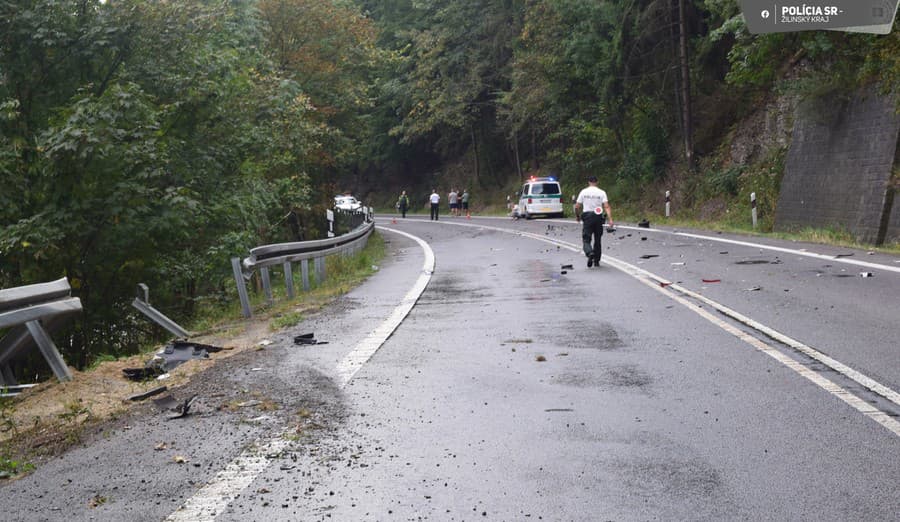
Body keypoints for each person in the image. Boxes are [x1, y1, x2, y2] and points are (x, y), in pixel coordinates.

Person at [574, 175, 614, 267]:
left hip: (587, 217)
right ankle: (596, 261)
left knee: (586, 239)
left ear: (589, 182)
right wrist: (610, 219)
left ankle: (589, 252)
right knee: (598, 239)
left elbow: (577, 206)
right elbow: (606, 206)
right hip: (598, 217)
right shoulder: (601, 192)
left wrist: (577, 216)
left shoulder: (583, 192)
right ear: (597, 182)